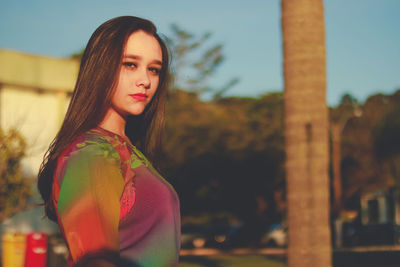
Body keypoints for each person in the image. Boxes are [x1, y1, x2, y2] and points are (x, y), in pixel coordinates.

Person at [37, 16, 180, 267]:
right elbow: (96, 259)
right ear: (100, 67)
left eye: (154, 69)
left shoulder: (125, 149)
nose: (145, 81)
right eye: (130, 64)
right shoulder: (92, 153)